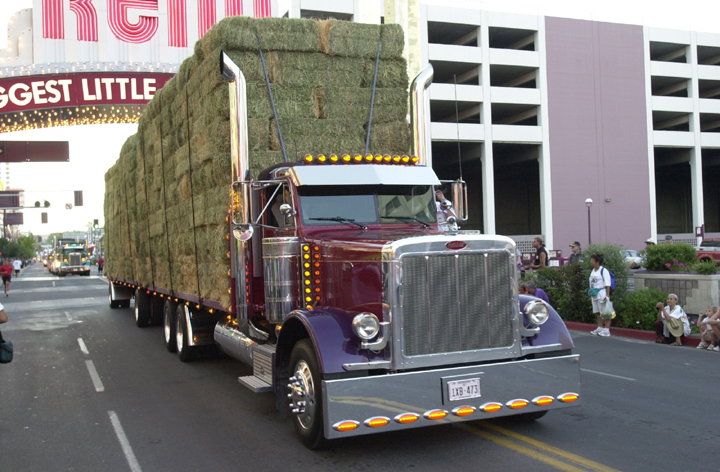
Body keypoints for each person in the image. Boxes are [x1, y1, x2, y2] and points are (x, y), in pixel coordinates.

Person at [589, 253, 613, 337]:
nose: (591, 262)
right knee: (598, 312)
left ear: (597, 262)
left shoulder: (603, 271)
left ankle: (606, 329)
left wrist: (607, 296)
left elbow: (607, 284)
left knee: (605, 311)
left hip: (602, 293)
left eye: (592, 260)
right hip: (594, 294)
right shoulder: (593, 270)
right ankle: (600, 327)